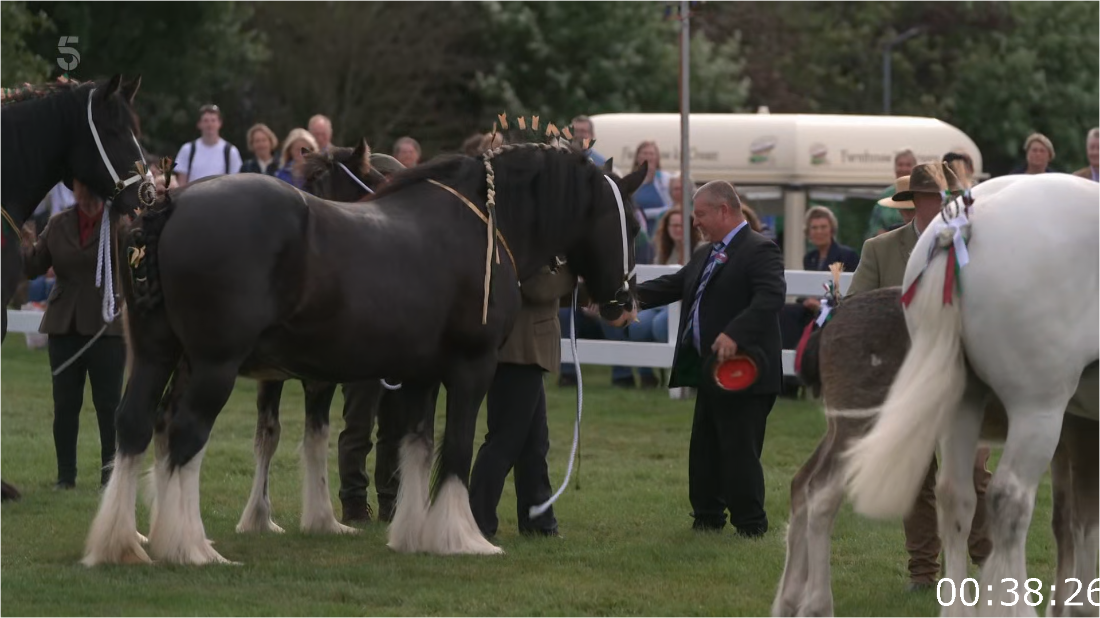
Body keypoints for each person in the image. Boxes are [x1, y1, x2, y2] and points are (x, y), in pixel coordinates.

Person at [845, 162, 992, 591]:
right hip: (909, 376)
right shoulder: (881, 249)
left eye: (944, 198)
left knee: (976, 474)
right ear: (913, 204)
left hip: (968, 377)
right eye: (929, 198)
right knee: (917, 475)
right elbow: (858, 306)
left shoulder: (972, 244)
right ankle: (924, 572)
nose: (937, 205)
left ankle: (984, 563)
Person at [632, 180, 786, 536]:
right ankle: (707, 517)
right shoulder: (706, 252)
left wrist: (735, 333)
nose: (695, 222)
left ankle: (751, 525)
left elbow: (770, 298)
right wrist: (624, 299)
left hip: (747, 373)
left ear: (724, 210)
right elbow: (673, 285)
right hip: (710, 371)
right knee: (704, 448)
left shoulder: (761, 250)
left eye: (700, 214)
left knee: (738, 450)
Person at [21, 179, 126, 490]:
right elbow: (33, 267)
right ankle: (66, 476)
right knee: (65, 404)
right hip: (63, 325)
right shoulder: (57, 223)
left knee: (109, 406)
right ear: (74, 190)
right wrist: (24, 242)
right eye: (81, 185)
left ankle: (110, 478)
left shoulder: (119, 224)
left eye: (92, 186)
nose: (87, 192)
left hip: (106, 327)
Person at [469, 261, 577, 539]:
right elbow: (538, 287)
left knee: (534, 444)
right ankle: (475, 523)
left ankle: (538, 523)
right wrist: (575, 271)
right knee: (504, 442)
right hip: (517, 352)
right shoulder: (527, 242)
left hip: (528, 352)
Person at [173, 104, 243, 185]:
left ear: (220, 123)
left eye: (213, 120)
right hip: (193, 196)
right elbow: (181, 183)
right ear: (199, 124)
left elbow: (235, 183)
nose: (210, 124)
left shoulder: (231, 151)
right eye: (206, 121)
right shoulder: (187, 150)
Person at [865, 149, 917, 239]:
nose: (904, 169)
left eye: (908, 165)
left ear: (915, 168)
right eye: (900, 165)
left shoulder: (923, 194)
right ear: (895, 168)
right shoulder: (885, 195)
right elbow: (875, 225)